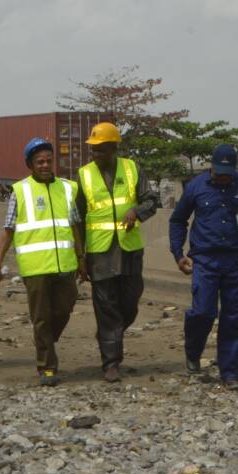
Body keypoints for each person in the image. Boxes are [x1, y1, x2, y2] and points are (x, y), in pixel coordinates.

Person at [169, 144, 238, 388]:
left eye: (228, 172)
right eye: (219, 172)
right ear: (211, 168)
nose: (223, 177)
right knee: (203, 312)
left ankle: (230, 372)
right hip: (205, 260)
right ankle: (193, 351)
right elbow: (178, 220)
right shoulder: (196, 187)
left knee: (235, 316)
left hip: (236, 261)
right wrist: (178, 254)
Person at [0, 138, 85, 386]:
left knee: (64, 309)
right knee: (41, 318)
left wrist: (81, 257)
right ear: (30, 165)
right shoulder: (20, 191)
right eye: (39, 162)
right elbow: (8, 230)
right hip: (36, 268)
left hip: (65, 264)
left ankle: (43, 342)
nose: (45, 165)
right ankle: (47, 367)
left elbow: (75, 225)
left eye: (48, 161)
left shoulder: (66, 188)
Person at [76, 122, 160, 382]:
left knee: (130, 303)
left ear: (114, 148)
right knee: (105, 306)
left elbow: (151, 200)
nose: (96, 155)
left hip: (129, 249)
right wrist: (81, 257)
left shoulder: (132, 169)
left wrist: (137, 211)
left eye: (101, 150)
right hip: (99, 251)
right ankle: (111, 361)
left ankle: (108, 336)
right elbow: (77, 218)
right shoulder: (84, 175)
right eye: (93, 151)